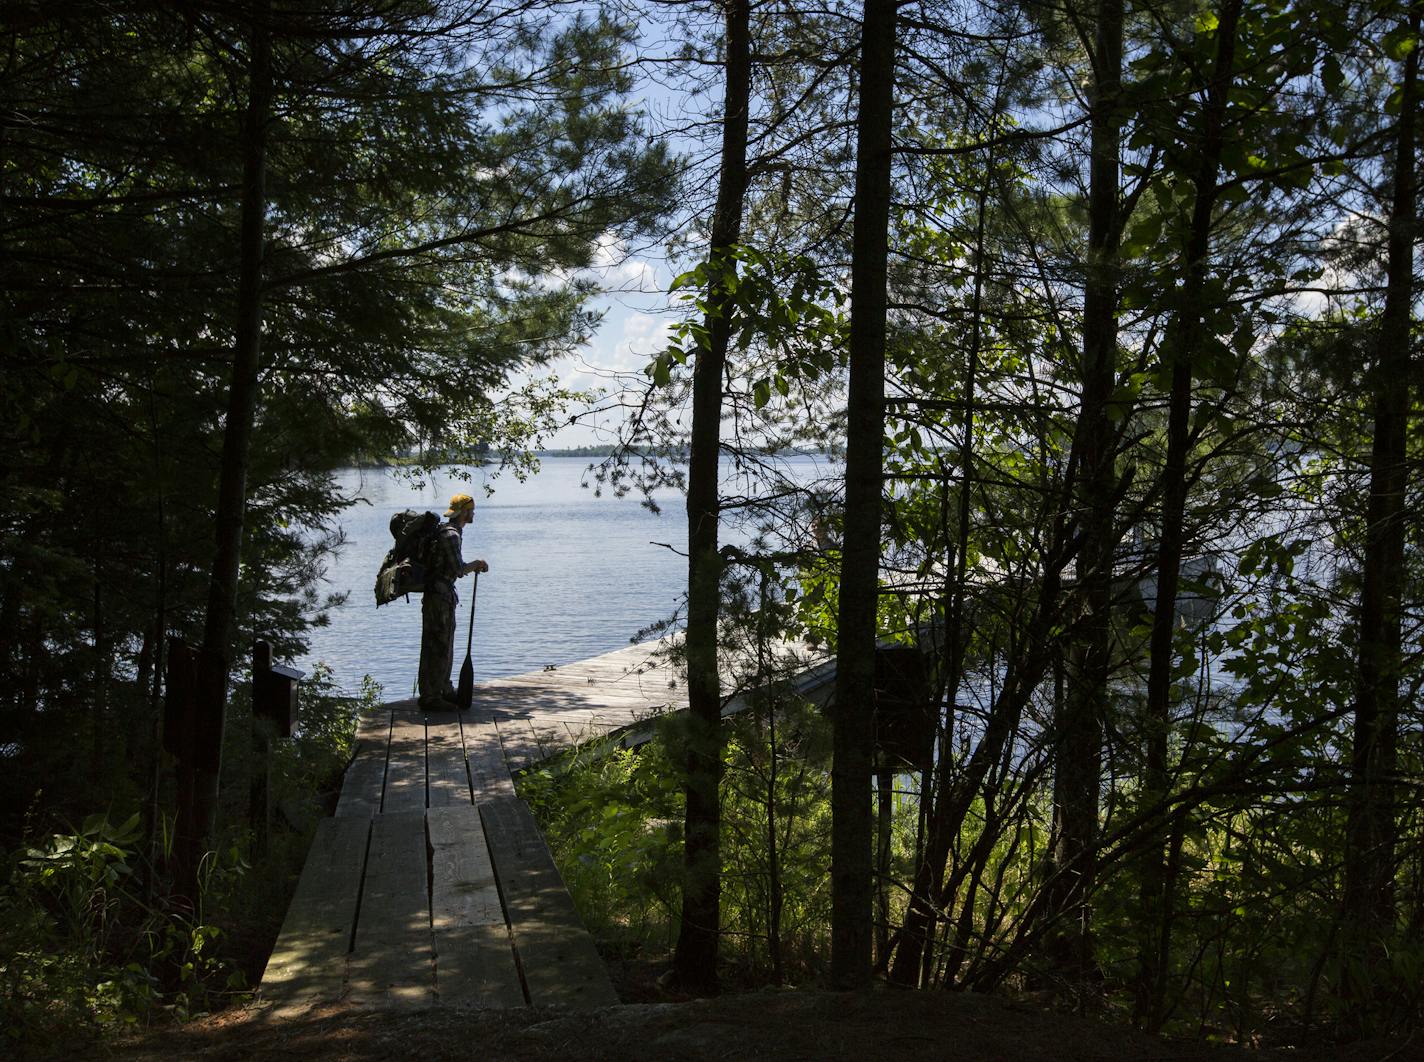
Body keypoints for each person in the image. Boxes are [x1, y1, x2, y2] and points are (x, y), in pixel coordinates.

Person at [418, 492, 489, 711]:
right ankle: (431, 697)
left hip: (440, 594)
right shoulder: (451, 535)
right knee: (438, 644)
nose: (474, 513)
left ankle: (444, 690)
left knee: (443, 642)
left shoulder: (448, 532)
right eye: (471, 510)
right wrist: (476, 564)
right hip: (439, 597)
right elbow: (458, 569)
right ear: (464, 512)